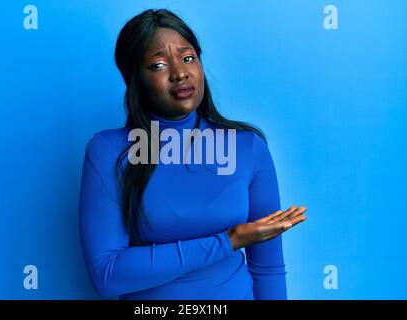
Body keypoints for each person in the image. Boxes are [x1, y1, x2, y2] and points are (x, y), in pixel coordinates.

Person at [78, 8, 307, 300]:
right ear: (134, 78)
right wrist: (229, 241)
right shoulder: (110, 152)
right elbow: (107, 275)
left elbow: (268, 269)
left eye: (188, 58)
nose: (180, 73)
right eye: (159, 65)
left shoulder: (247, 147)